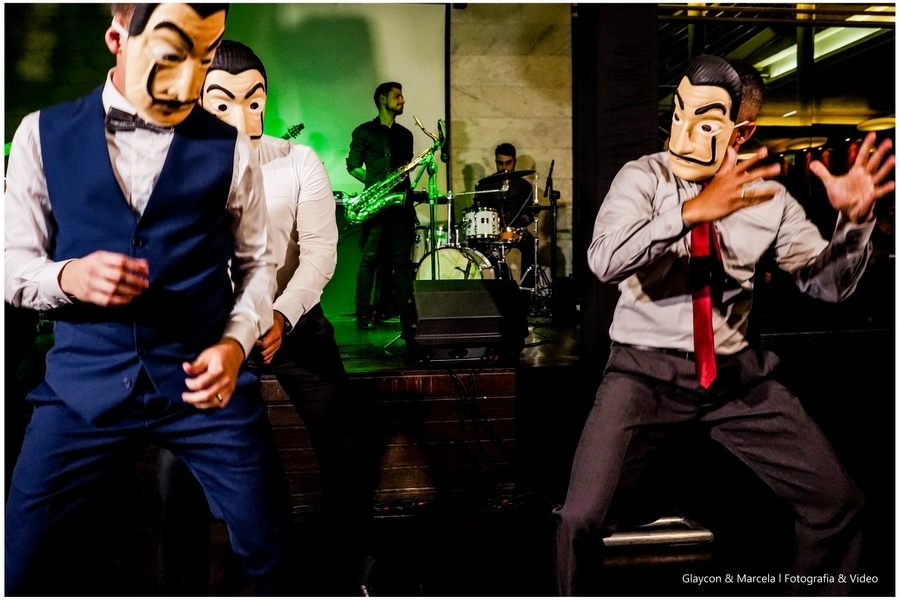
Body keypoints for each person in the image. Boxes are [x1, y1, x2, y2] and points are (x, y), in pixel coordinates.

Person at [553, 55, 895, 596]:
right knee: (580, 519)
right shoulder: (643, 177)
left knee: (839, 504)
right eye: (678, 113)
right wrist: (688, 214)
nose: (684, 131)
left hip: (735, 376)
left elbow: (825, 286)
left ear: (743, 131)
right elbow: (603, 261)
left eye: (707, 121)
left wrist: (854, 223)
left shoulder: (769, 198)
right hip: (643, 372)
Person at [3, 4, 293, 595]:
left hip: (205, 384)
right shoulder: (39, 134)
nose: (189, 84)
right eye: (170, 56)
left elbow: (258, 264)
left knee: (275, 557)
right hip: (82, 384)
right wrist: (68, 278)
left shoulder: (231, 145)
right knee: (20, 567)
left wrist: (235, 346)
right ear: (117, 38)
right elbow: (10, 265)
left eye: (204, 59)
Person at [155, 39, 374, 596]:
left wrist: (281, 314)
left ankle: (349, 570)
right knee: (177, 460)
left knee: (345, 444)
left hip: (291, 323)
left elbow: (321, 253)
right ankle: (181, 583)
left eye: (254, 101)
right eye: (223, 102)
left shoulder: (298, 162)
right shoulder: (174, 167)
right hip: (215, 331)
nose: (244, 115)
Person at [346, 82, 416, 329]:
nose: (402, 100)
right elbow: (353, 166)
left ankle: (407, 314)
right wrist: (377, 185)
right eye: (397, 96)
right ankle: (363, 314)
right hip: (376, 205)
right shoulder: (364, 131)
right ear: (382, 99)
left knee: (402, 262)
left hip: (401, 206)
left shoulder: (406, 135)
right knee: (370, 260)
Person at [472, 143, 536, 287]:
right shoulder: (486, 185)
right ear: (496, 162)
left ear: (514, 162)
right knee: (477, 246)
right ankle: (495, 286)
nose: (504, 167)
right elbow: (479, 209)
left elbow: (529, 211)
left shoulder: (524, 186)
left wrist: (522, 222)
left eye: (508, 163)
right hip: (492, 231)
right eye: (500, 163)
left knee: (531, 245)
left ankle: (527, 290)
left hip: (515, 230)